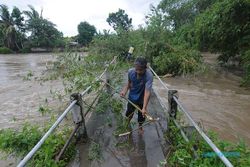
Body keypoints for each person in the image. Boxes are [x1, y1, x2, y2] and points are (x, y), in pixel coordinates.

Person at [120, 57, 153, 134]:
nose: (138, 72)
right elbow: (128, 83)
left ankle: (140, 127)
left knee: (142, 114)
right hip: (132, 97)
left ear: (145, 68)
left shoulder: (149, 76)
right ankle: (127, 124)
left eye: (140, 70)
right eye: (136, 69)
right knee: (129, 113)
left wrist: (144, 107)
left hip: (142, 98)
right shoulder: (130, 72)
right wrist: (124, 91)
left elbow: (147, 92)